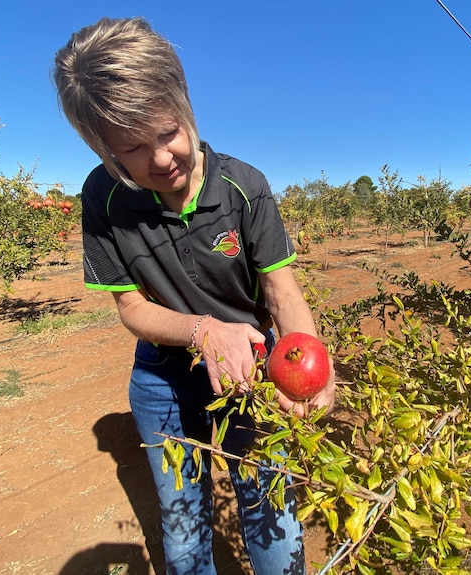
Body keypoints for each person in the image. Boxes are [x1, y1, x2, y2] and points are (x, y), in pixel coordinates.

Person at [52, 16, 336, 575]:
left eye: (167, 132)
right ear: (102, 147)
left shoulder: (242, 186)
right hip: (164, 379)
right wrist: (204, 330)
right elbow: (131, 307)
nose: (161, 159)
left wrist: (310, 362)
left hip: (255, 370)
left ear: (184, 104)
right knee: (184, 542)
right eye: (132, 148)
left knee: (273, 527)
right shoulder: (102, 199)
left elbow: (282, 293)